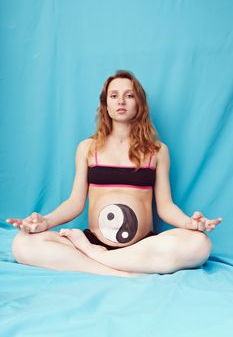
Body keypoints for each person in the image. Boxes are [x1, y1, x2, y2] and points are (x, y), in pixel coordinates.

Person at [7, 70, 222, 277]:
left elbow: (165, 207)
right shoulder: (87, 148)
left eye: (129, 95)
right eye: (114, 95)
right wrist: (45, 222)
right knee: (22, 243)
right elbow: (74, 203)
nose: (121, 101)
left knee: (200, 244)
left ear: (139, 104)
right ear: (106, 105)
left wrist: (189, 224)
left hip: (141, 246)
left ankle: (96, 258)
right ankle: (115, 269)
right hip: (92, 239)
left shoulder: (158, 151)